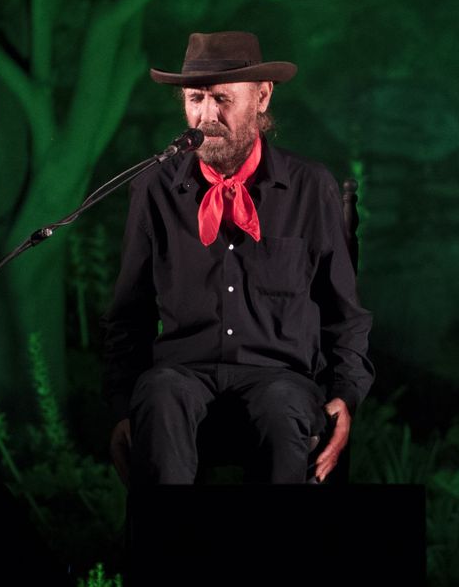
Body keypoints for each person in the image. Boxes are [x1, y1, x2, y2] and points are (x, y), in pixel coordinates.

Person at [103, 31, 373, 484]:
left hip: (280, 375)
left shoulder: (310, 187)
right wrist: (117, 408)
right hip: (183, 372)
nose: (206, 116)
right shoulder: (154, 189)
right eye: (195, 99)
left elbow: (343, 311)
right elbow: (128, 313)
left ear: (262, 97)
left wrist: (346, 395)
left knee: (283, 406)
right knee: (160, 393)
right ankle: (167, 552)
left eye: (222, 99)